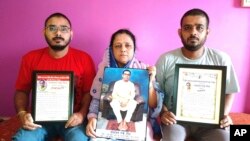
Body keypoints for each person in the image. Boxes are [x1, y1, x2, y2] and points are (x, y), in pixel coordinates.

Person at [156, 8, 240, 141]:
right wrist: (164, 112)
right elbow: (156, 91)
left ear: (207, 31)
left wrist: (223, 114)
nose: (193, 32)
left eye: (199, 28)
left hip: (211, 123)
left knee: (225, 138)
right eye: (187, 28)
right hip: (176, 121)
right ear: (180, 32)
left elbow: (230, 91)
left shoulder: (221, 59)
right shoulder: (166, 59)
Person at [12, 12, 96, 141]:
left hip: (72, 120)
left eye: (64, 29)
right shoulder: (30, 58)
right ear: (44, 32)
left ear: (71, 34)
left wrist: (81, 114)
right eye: (52, 28)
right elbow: (21, 91)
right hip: (39, 121)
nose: (58, 33)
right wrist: (22, 114)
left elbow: (88, 93)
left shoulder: (84, 59)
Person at [86, 29, 163, 141]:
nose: (123, 49)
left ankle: (125, 122)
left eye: (128, 45)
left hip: (130, 104)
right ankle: (119, 121)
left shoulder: (144, 70)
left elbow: (153, 104)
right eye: (118, 46)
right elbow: (98, 98)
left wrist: (150, 82)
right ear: (111, 49)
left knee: (133, 104)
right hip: (117, 102)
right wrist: (92, 118)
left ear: (134, 49)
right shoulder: (104, 72)